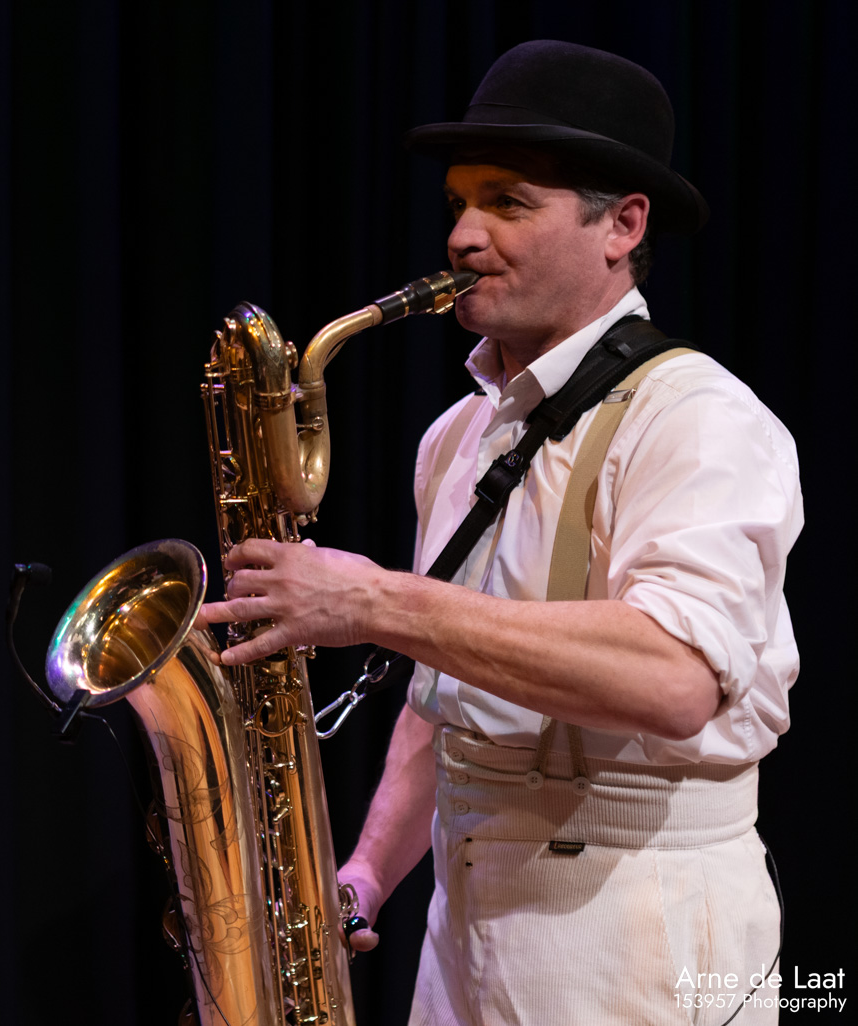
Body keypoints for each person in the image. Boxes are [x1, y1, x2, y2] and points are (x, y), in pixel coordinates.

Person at [200, 41, 799, 1025]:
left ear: (623, 226)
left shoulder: (699, 418)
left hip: (635, 927)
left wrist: (375, 601)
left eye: (508, 203)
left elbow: (676, 678)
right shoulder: (457, 436)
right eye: (457, 205)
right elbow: (450, 689)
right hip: (467, 923)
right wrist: (364, 873)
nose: (463, 237)